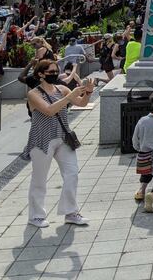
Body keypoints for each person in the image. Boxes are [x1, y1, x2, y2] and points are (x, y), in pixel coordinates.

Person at [22, 59, 93, 228]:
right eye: (50, 72)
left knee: (72, 173)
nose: (55, 74)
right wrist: (69, 96)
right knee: (39, 179)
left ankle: (71, 212)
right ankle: (36, 215)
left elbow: (82, 103)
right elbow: (49, 110)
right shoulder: (34, 94)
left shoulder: (62, 89)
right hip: (41, 140)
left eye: (56, 71)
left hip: (63, 137)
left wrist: (88, 92)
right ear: (40, 74)